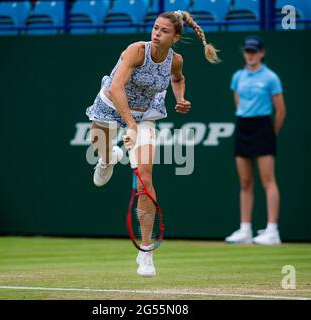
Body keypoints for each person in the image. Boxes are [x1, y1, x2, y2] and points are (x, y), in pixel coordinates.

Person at [85, 11, 219, 276]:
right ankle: (107, 158)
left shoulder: (175, 61)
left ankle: (145, 251)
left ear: (175, 37)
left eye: (164, 31)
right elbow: (116, 88)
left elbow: (177, 79)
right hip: (112, 104)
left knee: (145, 178)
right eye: (155, 28)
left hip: (145, 113)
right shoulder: (136, 51)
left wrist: (180, 98)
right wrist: (130, 126)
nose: (157, 33)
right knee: (99, 145)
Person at [225, 35, 286, 245]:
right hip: (243, 125)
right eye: (247, 51)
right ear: (244, 53)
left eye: (254, 51)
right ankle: (245, 229)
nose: (250, 55)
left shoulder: (271, 78)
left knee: (268, 180)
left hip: (263, 127)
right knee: (245, 182)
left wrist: (270, 133)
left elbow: (280, 111)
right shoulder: (237, 77)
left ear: (261, 53)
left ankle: (272, 230)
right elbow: (238, 103)